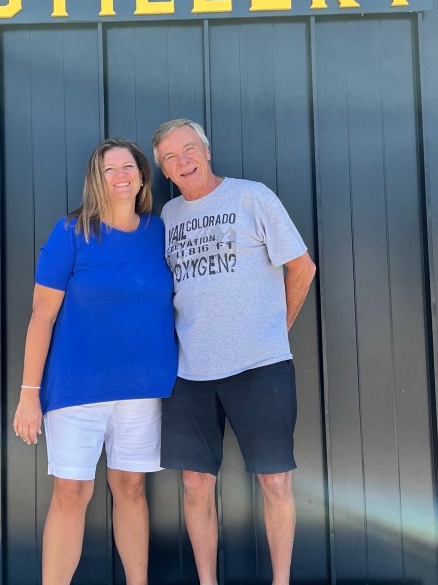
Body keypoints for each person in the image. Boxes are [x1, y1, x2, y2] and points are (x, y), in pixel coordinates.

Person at [152, 118, 316, 585]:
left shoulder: (251, 196)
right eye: (170, 157)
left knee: (275, 480)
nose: (183, 161)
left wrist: (276, 329)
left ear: (206, 150)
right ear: (164, 170)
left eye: (189, 149)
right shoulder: (168, 216)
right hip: (190, 373)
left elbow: (302, 267)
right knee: (194, 483)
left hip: (259, 367)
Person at [13, 138, 177, 585]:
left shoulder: (160, 232)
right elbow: (41, 316)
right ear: (96, 180)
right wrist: (29, 394)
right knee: (71, 492)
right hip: (76, 390)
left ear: (142, 177)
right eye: (110, 169)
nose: (121, 175)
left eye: (129, 167)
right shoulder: (70, 233)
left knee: (131, 489)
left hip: (142, 391)